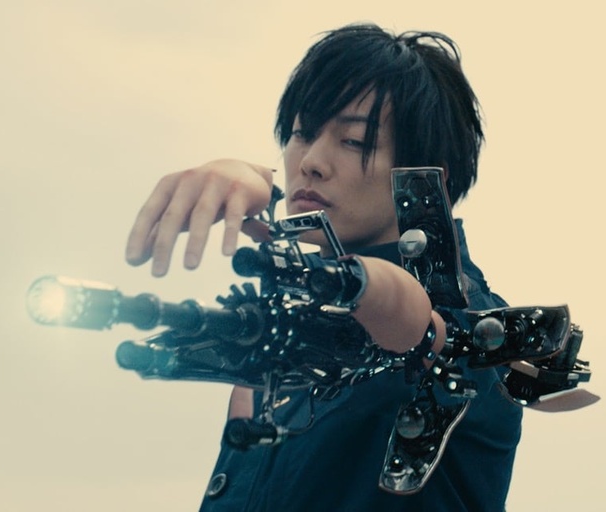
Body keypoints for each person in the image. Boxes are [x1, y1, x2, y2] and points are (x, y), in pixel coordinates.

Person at [125, 23, 522, 512]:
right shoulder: (284, 344)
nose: (310, 161)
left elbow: (408, 312)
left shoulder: (479, 330)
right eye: (301, 133)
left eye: (353, 141)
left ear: (425, 178)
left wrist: (358, 284)